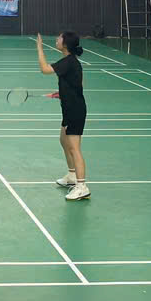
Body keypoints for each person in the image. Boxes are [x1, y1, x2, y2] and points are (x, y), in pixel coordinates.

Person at [38, 31, 89, 201]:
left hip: (75, 110)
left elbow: (45, 69)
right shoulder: (71, 62)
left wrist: (40, 48)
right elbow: (79, 83)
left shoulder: (68, 61)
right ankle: (72, 175)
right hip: (69, 108)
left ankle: (82, 187)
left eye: (59, 38)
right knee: (63, 140)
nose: (57, 39)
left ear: (65, 44)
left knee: (74, 148)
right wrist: (63, 93)